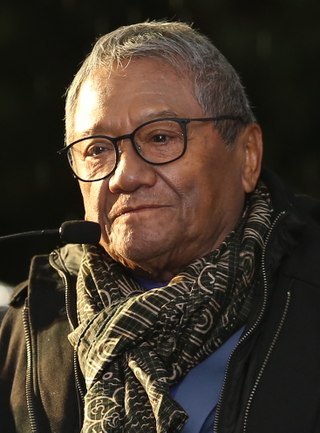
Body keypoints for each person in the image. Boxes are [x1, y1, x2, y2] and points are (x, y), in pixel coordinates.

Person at [1, 20, 320, 433]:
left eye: (161, 138)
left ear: (247, 156)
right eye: (97, 149)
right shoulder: (27, 328)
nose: (124, 176)